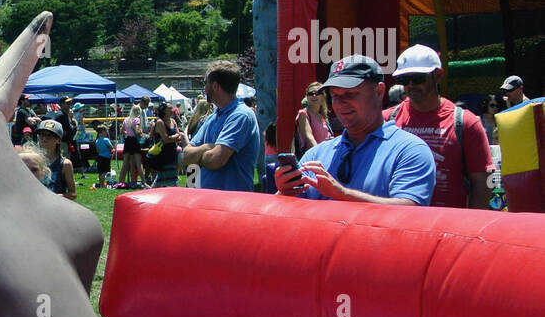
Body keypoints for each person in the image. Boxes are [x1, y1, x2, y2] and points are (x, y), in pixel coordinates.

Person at [275, 55, 435, 205]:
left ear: (379, 91)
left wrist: (342, 194)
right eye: (335, 96)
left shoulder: (410, 151)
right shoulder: (316, 155)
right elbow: (285, 213)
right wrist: (284, 192)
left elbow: (410, 213)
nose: (340, 104)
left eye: (350, 94)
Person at [384, 45, 493, 209]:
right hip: (401, 227)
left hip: (449, 228)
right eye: (405, 80)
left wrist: (470, 228)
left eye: (418, 78)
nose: (411, 85)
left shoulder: (465, 123)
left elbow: (483, 182)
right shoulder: (386, 120)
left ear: (438, 75)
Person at [180, 60, 261, 192]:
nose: (204, 89)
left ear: (215, 86)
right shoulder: (212, 118)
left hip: (232, 203)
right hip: (208, 200)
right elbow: (186, 156)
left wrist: (199, 156)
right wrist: (207, 147)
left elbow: (216, 160)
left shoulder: (241, 116)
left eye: (206, 83)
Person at [33, 119, 75, 200]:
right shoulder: (32, 161)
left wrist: (54, 197)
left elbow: (73, 193)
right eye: (42, 134)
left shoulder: (65, 164)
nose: (44, 138)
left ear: (58, 140)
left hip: (55, 208)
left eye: (49, 135)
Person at [148, 102, 184, 186]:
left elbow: (179, 137)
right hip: (162, 155)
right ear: (163, 111)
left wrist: (173, 137)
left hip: (172, 153)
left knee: (161, 180)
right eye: (170, 109)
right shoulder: (160, 122)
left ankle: (152, 193)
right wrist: (175, 137)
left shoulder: (173, 121)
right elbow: (165, 139)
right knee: (172, 180)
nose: (172, 110)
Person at [295, 81, 333, 157]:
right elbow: (309, 137)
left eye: (317, 93)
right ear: (307, 97)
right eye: (310, 94)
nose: (314, 96)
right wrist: (320, 154)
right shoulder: (303, 114)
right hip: (314, 157)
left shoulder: (322, 116)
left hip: (326, 153)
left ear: (323, 96)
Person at [118, 103, 144, 188]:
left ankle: (120, 181)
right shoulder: (137, 120)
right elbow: (137, 131)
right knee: (138, 163)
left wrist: (128, 132)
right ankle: (143, 181)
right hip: (134, 141)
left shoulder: (126, 119)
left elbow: (122, 131)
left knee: (125, 163)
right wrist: (140, 132)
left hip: (128, 140)